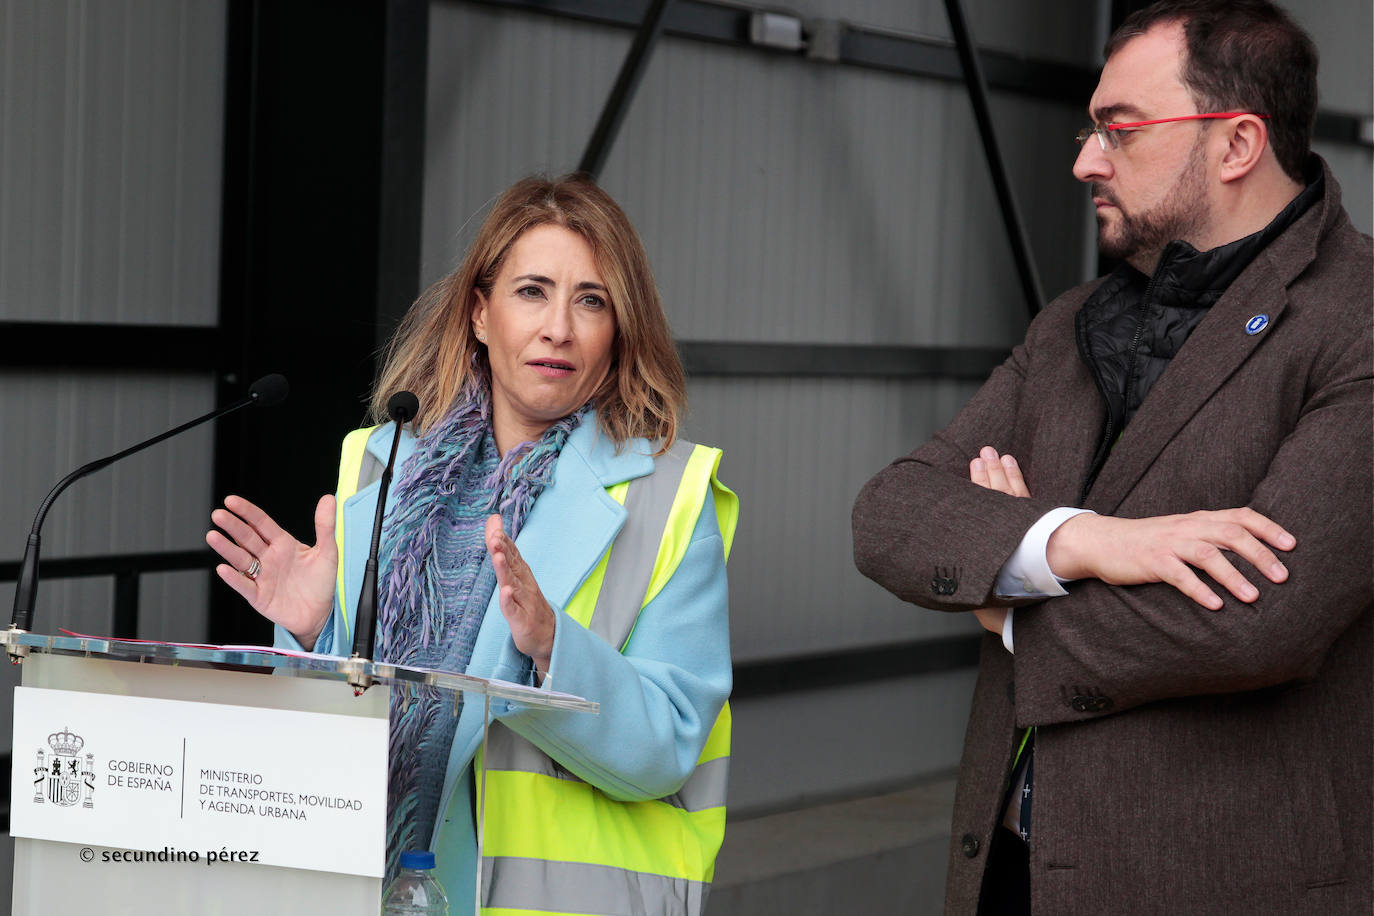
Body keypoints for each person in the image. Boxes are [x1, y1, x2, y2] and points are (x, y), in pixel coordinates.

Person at [851, 2, 1371, 913]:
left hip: (1217, 885)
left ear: (1237, 143)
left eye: (1120, 131)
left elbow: (1258, 619)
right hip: (1010, 869)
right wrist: (1071, 542)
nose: (1086, 159)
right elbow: (891, 512)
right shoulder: (1073, 325)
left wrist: (1006, 604)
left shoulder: (1356, 321)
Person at [207, 175, 737, 916]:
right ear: (480, 313)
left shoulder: (670, 494)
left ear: (619, 331)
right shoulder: (379, 463)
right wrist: (313, 630)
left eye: (592, 300)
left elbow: (670, 748)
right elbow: (330, 732)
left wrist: (553, 648)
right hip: (372, 888)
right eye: (532, 292)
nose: (559, 327)